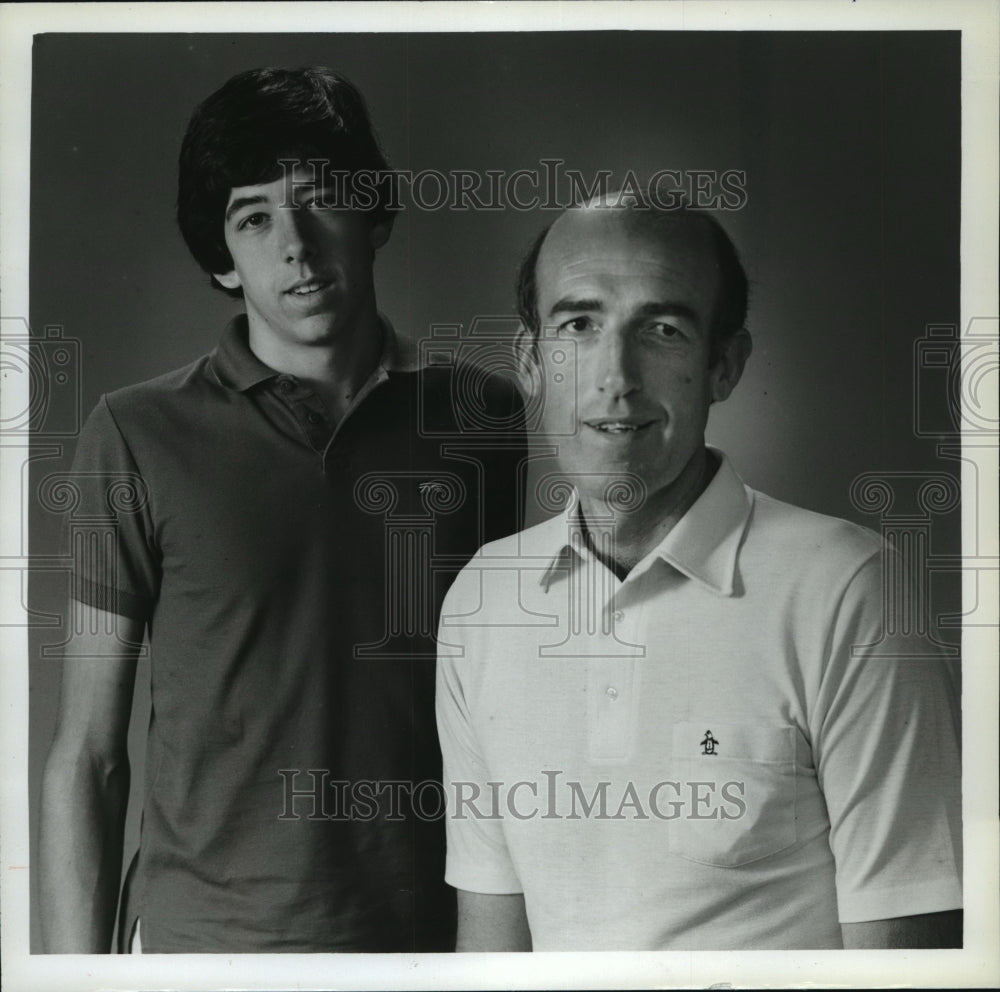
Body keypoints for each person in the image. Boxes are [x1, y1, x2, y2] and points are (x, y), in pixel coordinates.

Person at [38, 66, 525, 953]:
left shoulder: (482, 421)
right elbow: (88, 755)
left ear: (375, 213)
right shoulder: (135, 433)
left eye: (320, 200)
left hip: (423, 937)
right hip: (201, 946)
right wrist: (76, 983)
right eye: (253, 216)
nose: (294, 245)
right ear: (222, 256)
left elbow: (508, 711)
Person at [435, 196, 962, 950]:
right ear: (529, 361)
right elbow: (493, 952)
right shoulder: (483, 602)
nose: (615, 378)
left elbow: (908, 953)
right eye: (578, 325)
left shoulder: (847, 590)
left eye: (662, 330)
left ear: (724, 364)